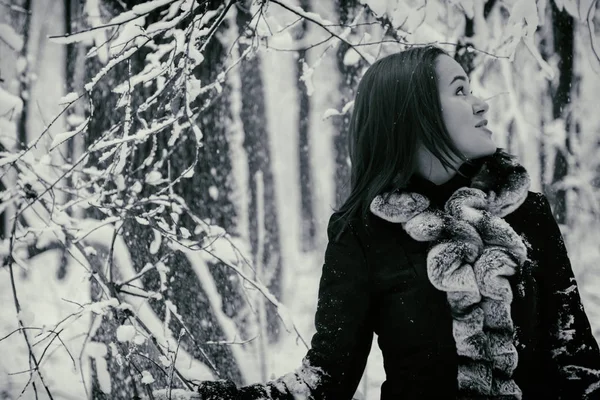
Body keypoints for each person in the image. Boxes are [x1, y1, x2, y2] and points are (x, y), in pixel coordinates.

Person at [196, 45, 600, 399]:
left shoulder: (526, 211)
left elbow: (577, 362)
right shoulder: (363, 233)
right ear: (414, 116)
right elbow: (325, 381)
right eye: (460, 90)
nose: (481, 104)